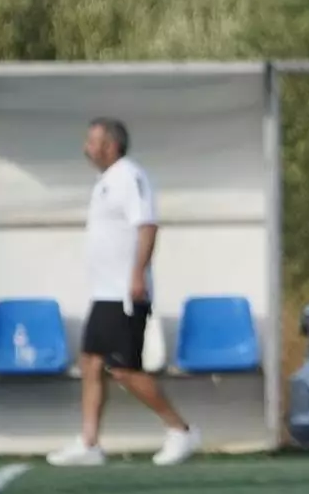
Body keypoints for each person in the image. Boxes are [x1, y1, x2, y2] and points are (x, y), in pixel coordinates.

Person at [45, 118, 200, 467]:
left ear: (111, 146)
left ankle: (181, 430)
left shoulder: (130, 176)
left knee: (123, 370)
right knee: (90, 362)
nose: (86, 148)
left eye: (92, 141)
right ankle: (89, 444)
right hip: (104, 293)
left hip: (125, 294)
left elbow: (147, 226)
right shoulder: (106, 181)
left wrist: (137, 275)